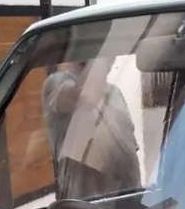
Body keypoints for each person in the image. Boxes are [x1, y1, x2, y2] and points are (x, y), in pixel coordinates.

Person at [42, 58, 141, 201]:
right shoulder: (56, 83)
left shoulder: (115, 92)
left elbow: (130, 151)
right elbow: (86, 95)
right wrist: (103, 54)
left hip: (126, 205)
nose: (111, 60)